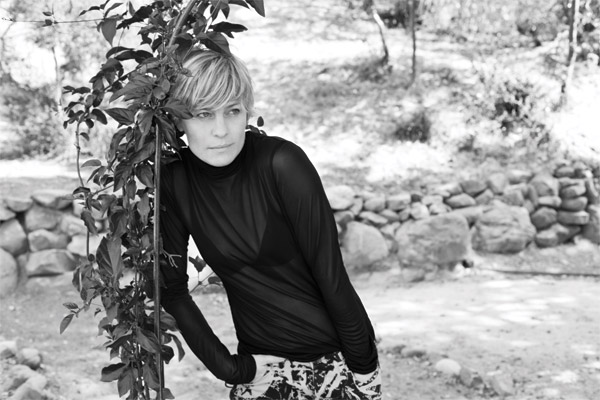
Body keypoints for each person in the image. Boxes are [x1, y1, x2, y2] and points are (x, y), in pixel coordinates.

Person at [159, 48, 382, 400]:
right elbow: (171, 289)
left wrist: (364, 372)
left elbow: (332, 276)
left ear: (247, 112)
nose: (221, 130)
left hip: (334, 363)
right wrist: (230, 369)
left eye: (232, 111)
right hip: (260, 372)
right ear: (179, 120)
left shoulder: (281, 163)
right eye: (203, 114)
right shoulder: (175, 181)